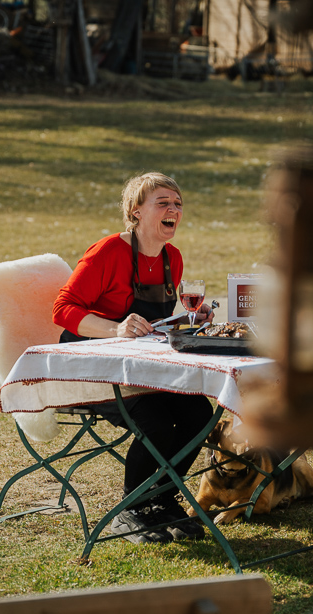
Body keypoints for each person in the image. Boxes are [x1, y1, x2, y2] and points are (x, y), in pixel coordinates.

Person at [53, 172, 214, 545]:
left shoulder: (173, 258)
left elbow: (153, 325)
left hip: (140, 367)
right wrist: (114, 328)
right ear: (135, 211)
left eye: (177, 204)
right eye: (163, 203)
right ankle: (130, 510)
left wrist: (192, 318)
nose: (173, 210)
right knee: (155, 423)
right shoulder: (108, 251)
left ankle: (160, 501)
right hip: (89, 364)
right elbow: (62, 310)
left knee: (199, 416)